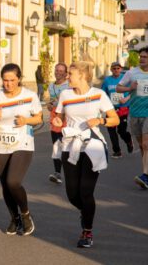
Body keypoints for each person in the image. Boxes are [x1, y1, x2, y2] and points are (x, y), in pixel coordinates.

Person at [52, 61, 119, 248]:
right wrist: (58, 120)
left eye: (70, 74)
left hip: (93, 146)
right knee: (72, 194)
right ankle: (87, 211)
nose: (67, 77)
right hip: (70, 146)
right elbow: (60, 116)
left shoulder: (99, 95)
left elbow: (114, 119)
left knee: (85, 191)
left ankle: (87, 231)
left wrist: (100, 119)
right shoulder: (65, 94)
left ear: (82, 75)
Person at [0, 63, 43, 236]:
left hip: (23, 143)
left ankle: (25, 215)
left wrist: (26, 121)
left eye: (12, 80)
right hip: (1, 144)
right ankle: (14, 218)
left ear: (19, 79)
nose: (8, 84)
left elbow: (38, 118)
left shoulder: (30, 96)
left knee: (13, 182)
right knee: (5, 185)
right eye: (5, 80)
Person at [117, 46, 148, 189]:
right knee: (142, 146)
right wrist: (130, 89)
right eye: (141, 56)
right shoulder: (132, 73)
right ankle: (147, 173)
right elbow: (118, 88)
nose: (141, 59)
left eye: (145, 57)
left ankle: (145, 175)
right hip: (135, 113)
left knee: (147, 144)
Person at [101, 62, 133, 158]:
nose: (116, 70)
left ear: (121, 69)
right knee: (111, 131)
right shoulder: (107, 80)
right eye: (114, 68)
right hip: (110, 109)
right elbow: (103, 93)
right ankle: (117, 151)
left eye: (118, 68)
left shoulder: (126, 79)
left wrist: (126, 99)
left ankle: (128, 140)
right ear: (111, 69)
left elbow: (134, 91)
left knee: (121, 130)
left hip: (123, 107)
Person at [47, 63, 69, 184]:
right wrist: (49, 105)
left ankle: (70, 172)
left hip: (66, 120)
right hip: (54, 121)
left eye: (61, 70)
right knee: (56, 147)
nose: (58, 72)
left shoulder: (69, 85)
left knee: (66, 147)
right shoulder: (51, 86)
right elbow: (51, 101)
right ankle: (57, 173)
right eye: (57, 70)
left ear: (66, 73)